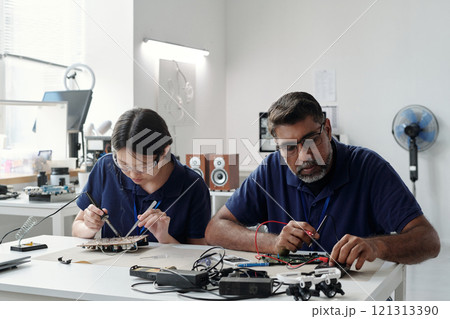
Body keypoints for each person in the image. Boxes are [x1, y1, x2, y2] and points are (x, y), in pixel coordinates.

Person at [205, 92, 440, 270]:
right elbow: (215, 229)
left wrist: (377, 246)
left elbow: (429, 241)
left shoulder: (369, 167)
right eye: (289, 148)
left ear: (327, 129)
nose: (305, 156)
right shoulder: (270, 170)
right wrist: (274, 243)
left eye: (311, 140)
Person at [72, 108, 211, 244]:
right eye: (123, 164)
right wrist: (89, 227)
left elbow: (197, 255)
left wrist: (164, 237)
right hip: (112, 265)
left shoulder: (192, 185)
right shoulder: (106, 167)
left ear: (164, 151)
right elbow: (76, 227)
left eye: (143, 166)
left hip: (165, 267)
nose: (132, 174)